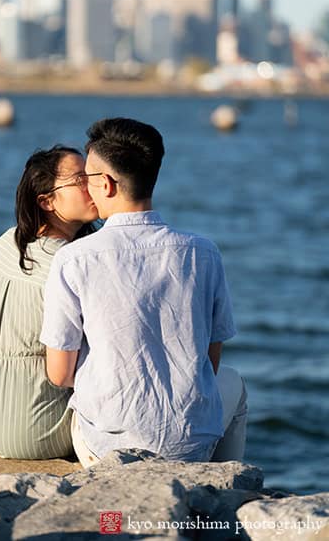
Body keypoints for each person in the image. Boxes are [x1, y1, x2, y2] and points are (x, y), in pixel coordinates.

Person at [40, 118, 248, 467]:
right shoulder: (204, 252)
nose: (86, 188)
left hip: (105, 448)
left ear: (105, 184)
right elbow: (210, 364)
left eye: (88, 178)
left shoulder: (73, 259)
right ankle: (224, 489)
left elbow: (60, 375)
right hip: (191, 447)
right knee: (234, 383)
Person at [0, 145, 98, 459]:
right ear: (46, 201)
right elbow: (69, 371)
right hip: (33, 428)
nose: (94, 184)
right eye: (80, 180)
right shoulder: (69, 264)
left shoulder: (5, 241)